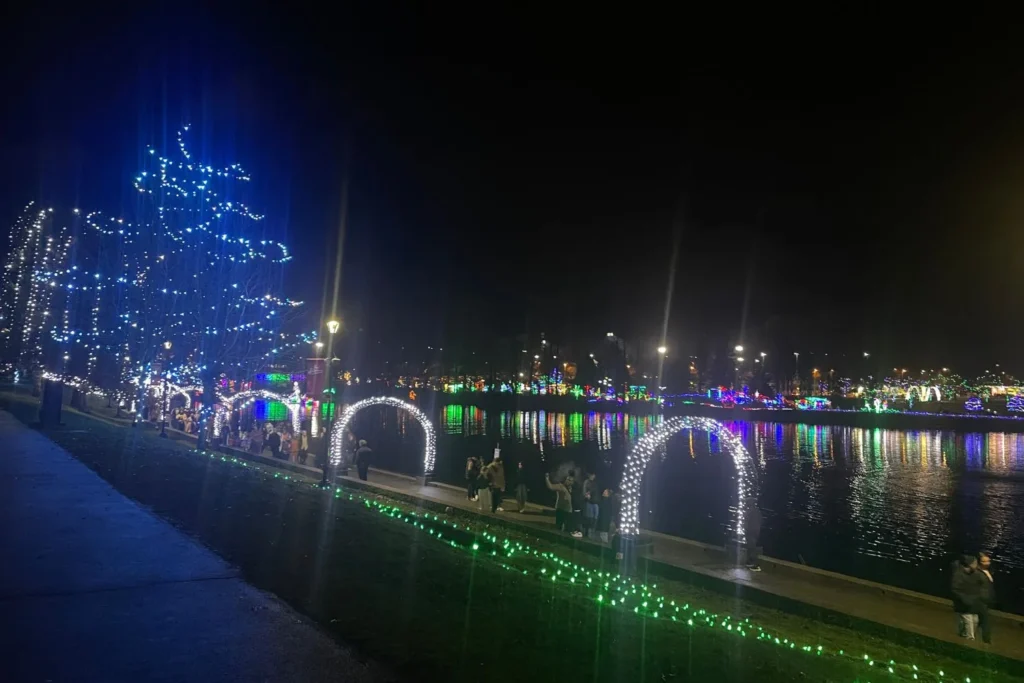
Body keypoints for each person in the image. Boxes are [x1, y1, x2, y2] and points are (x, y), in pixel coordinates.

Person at [951, 554, 982, 640]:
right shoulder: (959, 575)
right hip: (963, 603)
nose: (977, 565)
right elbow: (955, 590)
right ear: (969, 564)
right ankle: (970, 638)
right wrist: (965, 599)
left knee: (975, 620)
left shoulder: (975, 574)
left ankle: (963, 633)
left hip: (972, 602)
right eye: (975, 563)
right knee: (968, 620)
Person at [977, 552, 994, 644]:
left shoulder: (988, 571)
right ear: (980, 562)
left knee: (980, 621)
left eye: (988, 561)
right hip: (981, 600)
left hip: (986, 601)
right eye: (984, 561)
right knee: (985, 621)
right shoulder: (977, 572)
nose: (987, 563)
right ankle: (986, 640)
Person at [745, 506, 763, 572]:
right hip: (754, 531)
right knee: (751, 547)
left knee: (751, 547)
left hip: (751, 531)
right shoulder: (757, 511)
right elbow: (760, 521)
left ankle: (753, 563)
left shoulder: (751, 511)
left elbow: (747, 521)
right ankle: (750, 562)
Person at [582, 472, 599, 538]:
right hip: (590, 503)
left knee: (595, 518)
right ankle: (587, 533)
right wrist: (586, 495)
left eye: (594, 474)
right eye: (591, 474)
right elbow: (584, 491)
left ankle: (591, 533)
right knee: (589, 518)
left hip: (596, 503)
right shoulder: (587, 482)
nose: (593, 476)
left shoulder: (595, 482)